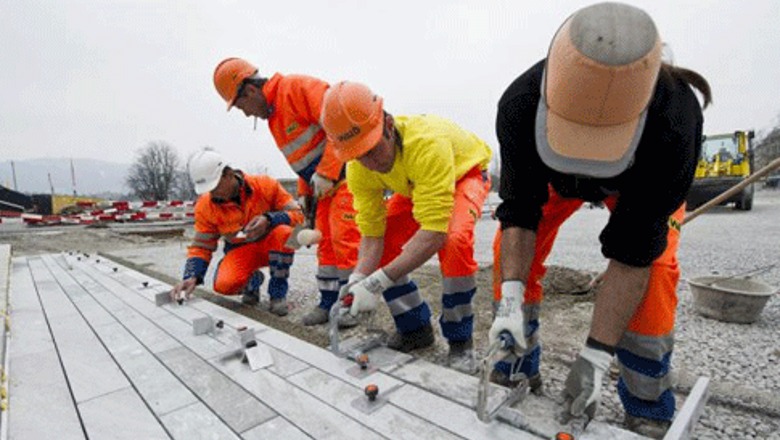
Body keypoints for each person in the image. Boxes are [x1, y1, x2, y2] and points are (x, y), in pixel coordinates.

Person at [490, 3, 711, 438]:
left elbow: (634, 255)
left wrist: (595, 356)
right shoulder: (519, 104)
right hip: (552, 180)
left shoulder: (675, 121)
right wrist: (510, 299)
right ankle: (515, 362)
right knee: (508, 257)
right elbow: (519, 214)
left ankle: (647, 401)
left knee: (657, 274)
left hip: (636, 184)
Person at [319, 81, 493, 373]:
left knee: (454, 242)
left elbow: (434, 234)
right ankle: (415, 328)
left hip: (465, 175)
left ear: (387, 124)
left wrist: (377, 283)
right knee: (386, 246)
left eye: (372, 149)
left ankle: (460, 340)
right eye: (358, 154)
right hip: (415, 184)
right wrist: (359, 277)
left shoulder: (427, 143)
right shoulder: (359, 167)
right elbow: (373, 235)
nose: (370, 163)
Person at [213, 58, 361, 328]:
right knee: (325, 245)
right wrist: (307, 198)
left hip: (348, 178)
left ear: (251, 91)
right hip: (325, 189)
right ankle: (329, 301)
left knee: (344, 240)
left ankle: (351, 304)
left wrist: (328, 172)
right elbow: (302, 162)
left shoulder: (297, 88)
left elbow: (340, 122)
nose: (246, 114)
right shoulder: (274, 116)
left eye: (241, 106)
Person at [170, 149, 303, 316]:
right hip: (241, 250)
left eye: (215, 186)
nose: (213, 193)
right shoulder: (205, 206)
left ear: (228, 174)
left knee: (286, 233)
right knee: (224, 285)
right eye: (209, 189)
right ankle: (253, 281)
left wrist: (269, 219)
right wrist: (191, 276)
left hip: (273, 245)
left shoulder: (265, 185)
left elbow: (300, 216)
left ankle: (277, 294)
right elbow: (202, 246)